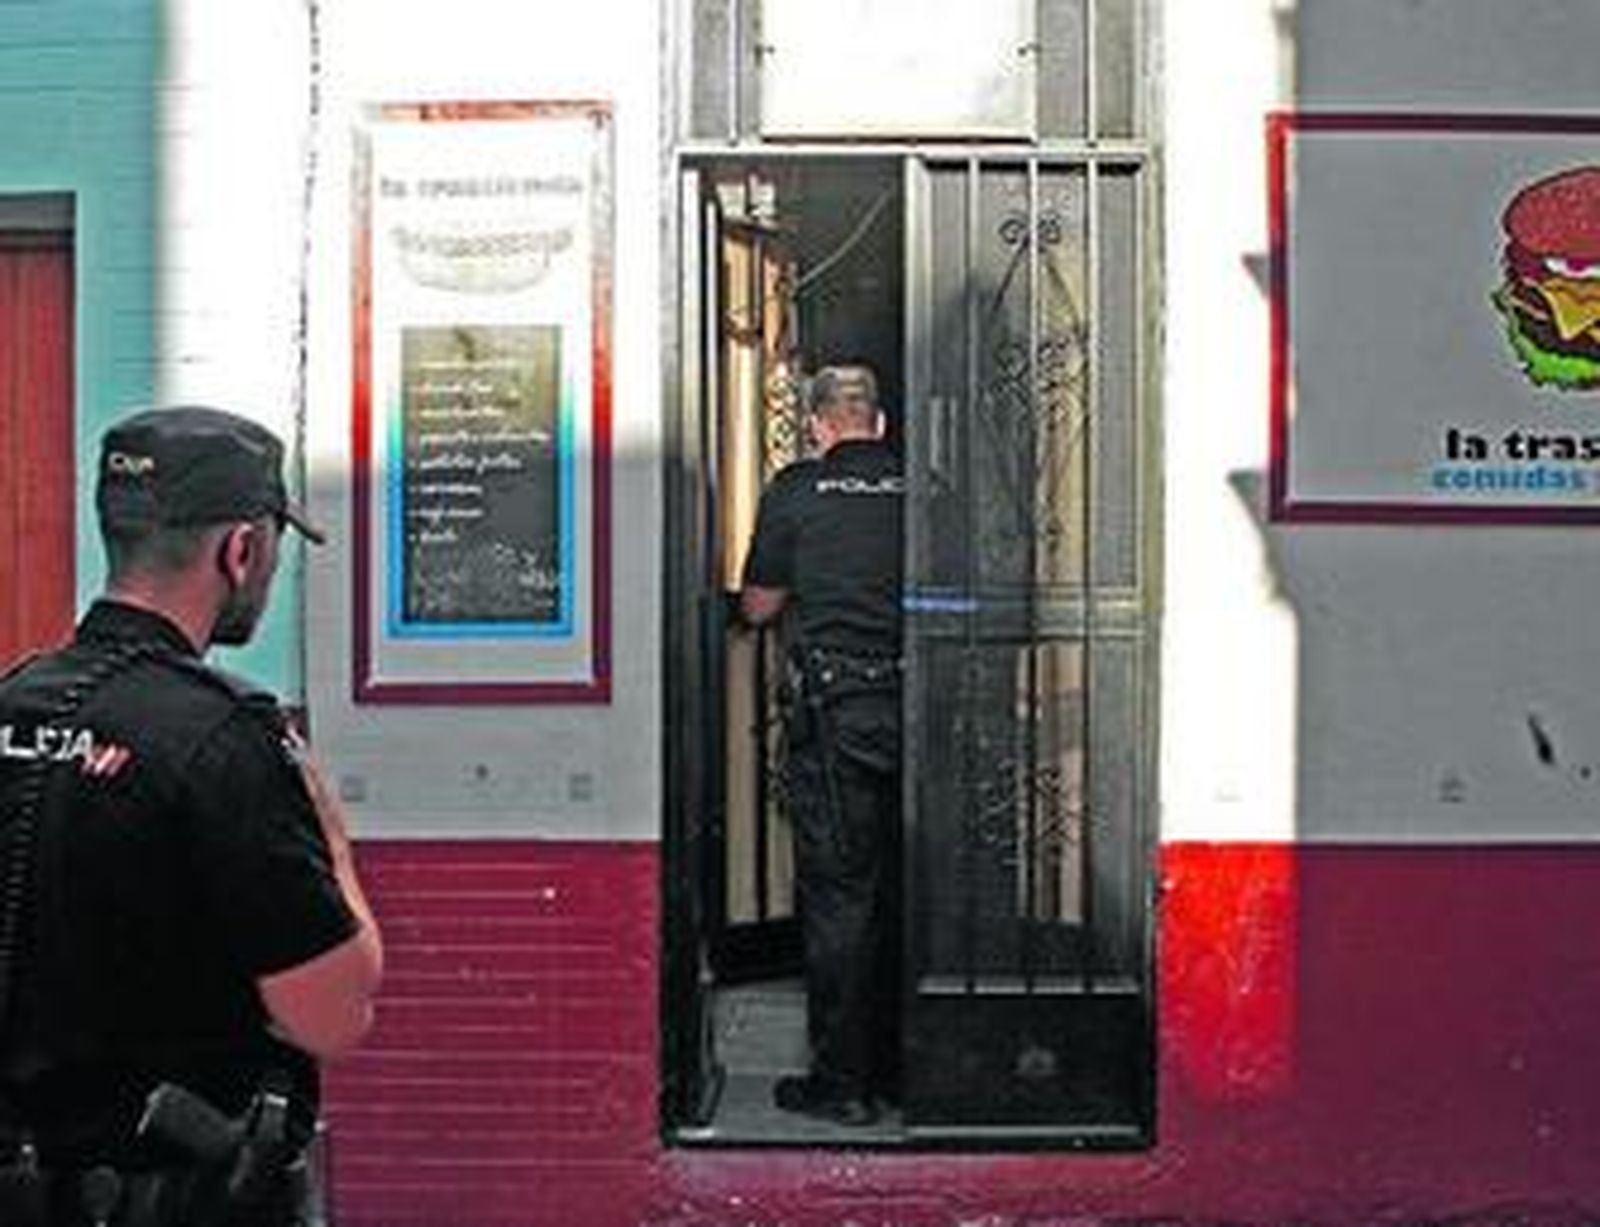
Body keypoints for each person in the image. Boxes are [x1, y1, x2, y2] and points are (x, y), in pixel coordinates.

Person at [0, 405, 383, 1225]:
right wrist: (334, 842)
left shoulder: (13, 698)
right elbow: (334, 1009)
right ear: (240, 550)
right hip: (174, 1196)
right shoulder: (227, 737)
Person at [740, 364, 904, 1127]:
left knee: (841, 897)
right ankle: (910, 1069)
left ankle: (843, 1083)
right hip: (924, 708)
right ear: (880, 422)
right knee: (918, 889)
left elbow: (759, 605)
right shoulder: (924, 487)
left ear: (817, 424)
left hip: (837, 714)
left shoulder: (796, 489)